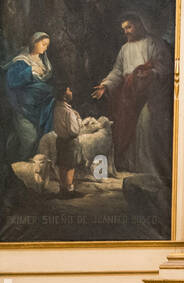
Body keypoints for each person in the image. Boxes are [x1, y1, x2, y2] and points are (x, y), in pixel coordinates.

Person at [91, 13, 172, 179]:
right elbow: (118, 71)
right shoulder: (125, 49)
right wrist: (105, 85)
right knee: (126, 125)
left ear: (139, 25)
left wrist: (152, 73)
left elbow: (164, 65)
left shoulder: (153, 42)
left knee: (145, 122)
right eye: (124, 29)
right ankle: (131, 166)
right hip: (130, 93)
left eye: (129, 27)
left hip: (151, 92)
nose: (126, 31)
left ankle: (148, 167)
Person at [3, 32, 56, 161]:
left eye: (47, 45)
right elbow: (12, 80)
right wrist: (30, 72)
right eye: (43, 44)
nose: (45, 48)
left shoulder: (45, 63)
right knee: (29, 139)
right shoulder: (21, 61)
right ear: (34, 42)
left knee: (38, 139)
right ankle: (16, 167)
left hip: (40, 108)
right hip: (23, 107)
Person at [51, 85, 82, 197]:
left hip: (60, 140)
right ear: (64, 95)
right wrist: (78, 119)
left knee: (62, 165)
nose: (71, 92)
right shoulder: (69, 112)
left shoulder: (56, 109)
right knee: (70, 165)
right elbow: (74, 131)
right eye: (69, 90)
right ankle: (69, 190)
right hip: (69, 142)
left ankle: (62, 188)